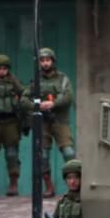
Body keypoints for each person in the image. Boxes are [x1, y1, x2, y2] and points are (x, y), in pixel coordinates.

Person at [0, 53, 31, 199]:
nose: (2, 71)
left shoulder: (14, 82)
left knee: (11, 154)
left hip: (10, 122)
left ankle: (13, 184)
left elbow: (24, 94)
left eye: (4, 68)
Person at [35, 49, 75, 198]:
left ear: (52, 61)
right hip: (42, 122)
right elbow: (25, 99)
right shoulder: (36, 80)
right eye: (42, 60)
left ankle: (73, 186)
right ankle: (49, 187)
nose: (45, 63)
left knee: (69, 153)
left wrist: (52, 104)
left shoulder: (63, 79)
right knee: (43, 156)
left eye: (47, 60)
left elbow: (68, 97)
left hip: (60, 121)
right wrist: (38, 105)